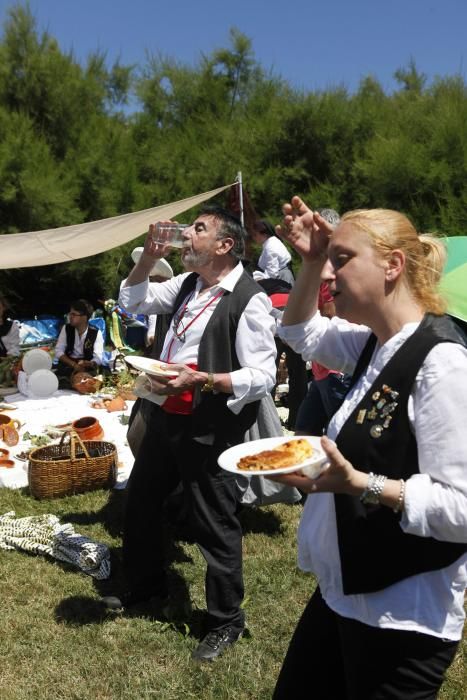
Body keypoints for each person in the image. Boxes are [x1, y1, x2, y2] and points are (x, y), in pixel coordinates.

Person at [271, 197, 467, 699]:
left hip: (402, 611)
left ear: (392, 265)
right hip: (347, 588)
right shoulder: (373, 344)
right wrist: (311, 262)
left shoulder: (442, 361)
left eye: (342, 259)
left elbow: (461, 507)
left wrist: (361, 484)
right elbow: (297, 331)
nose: (331, 276)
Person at [105, 206, 277, 662]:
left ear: (224, 245)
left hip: (209, 426)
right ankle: (146, 587)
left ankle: (226, 621)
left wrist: (203, 380)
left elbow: (262, 376)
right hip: (165, 415)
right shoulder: (187, 285)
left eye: (198, 229)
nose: (188, 236)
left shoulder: (249, 298)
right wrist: (148, 256)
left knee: (213, 522)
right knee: (141, 501)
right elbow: (133, 299)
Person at [54, 299, 104, 377]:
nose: (70, 317)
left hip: (86, 367)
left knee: (93, 376)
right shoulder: (66, 328)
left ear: (84, 317)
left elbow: (98, 358)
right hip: (69, 364)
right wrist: (74, 365)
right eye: (70, 313)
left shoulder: (96, 333)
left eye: (74, 314)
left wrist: (90, 363)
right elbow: (58, 351)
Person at [251, 219, 295, 285]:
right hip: (282, 277)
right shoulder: (271, 243)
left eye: (255, 235)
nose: (253, 238)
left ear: (264, 234)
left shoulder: (270, 246)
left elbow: (272, 273)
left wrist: (258, 278)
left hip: (283, 280)